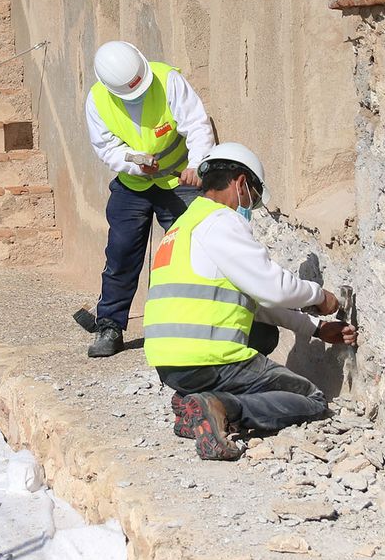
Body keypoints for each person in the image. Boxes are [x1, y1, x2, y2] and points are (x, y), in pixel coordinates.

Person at [143, 143, 356, 460]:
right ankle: (223, 407)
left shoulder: (182, 227)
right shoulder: (221, 223)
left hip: (170, 364)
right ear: (241, 183)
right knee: (311, 399)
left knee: (263, 334)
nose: (251, 206)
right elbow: (272, 288)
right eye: (254, 197)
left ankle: (199, 401)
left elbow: (253, 303)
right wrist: (320, 297)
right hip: (209, 358)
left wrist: (314, 328)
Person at [83, 41, 214, 358]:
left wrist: (197, 164)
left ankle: (188, 326)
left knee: (185, 255)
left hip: (179, 180)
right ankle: (109, 327)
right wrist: (132, 161)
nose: (138, 93)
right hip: (133, 184)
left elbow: (196, 124)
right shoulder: (98, 100)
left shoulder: (167, 80)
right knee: (121, 254)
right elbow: (106, 148)